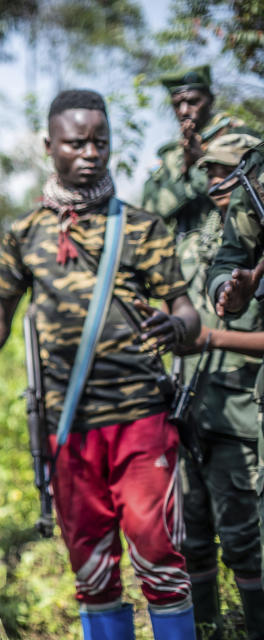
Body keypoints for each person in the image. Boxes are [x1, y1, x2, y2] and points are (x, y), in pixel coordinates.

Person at [0, 89, 201, 639]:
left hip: (142, 421)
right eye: (76, 143)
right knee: (92, 570)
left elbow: (187, 312)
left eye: (99, 142)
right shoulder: (25, 233)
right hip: (67, 428)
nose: (90, 153)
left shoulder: (141, 228)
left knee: (161, 561)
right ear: (48, 146)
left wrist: (178, 328)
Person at [170, 133, 264, 639]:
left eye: (225, 170)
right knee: (194, 533)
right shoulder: (196, 234)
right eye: (207, 173)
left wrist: (208, 336)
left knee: (246, 539)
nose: (216, 183)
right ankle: (207, 627)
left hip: (244, 409)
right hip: (193, 404)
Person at [142, 64, 257, 234]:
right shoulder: (172, 154)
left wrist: (201, 162)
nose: (184, 111)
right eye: (177, 104)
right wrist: (185, 169)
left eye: (193, 101)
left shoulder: (240, 138)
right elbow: (151, 213)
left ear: (210, 99)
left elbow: (249, 196)